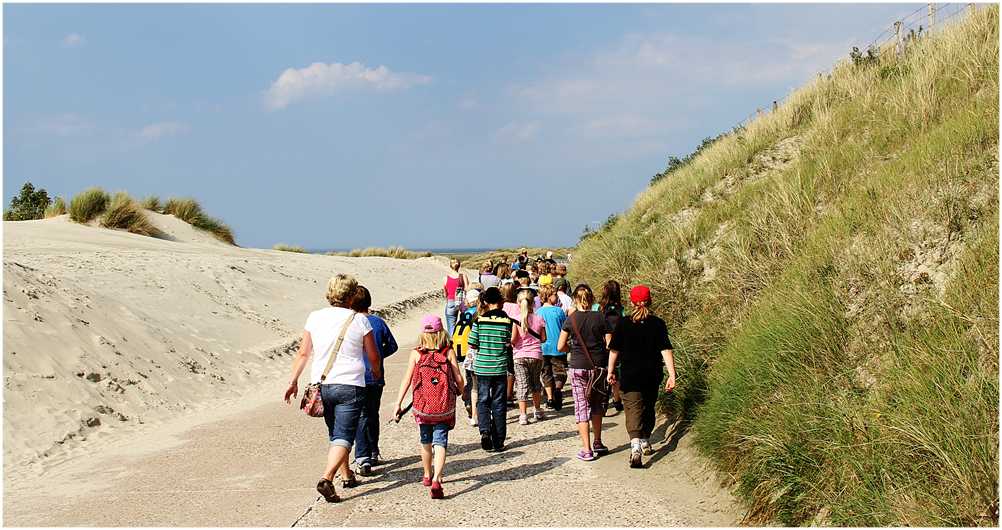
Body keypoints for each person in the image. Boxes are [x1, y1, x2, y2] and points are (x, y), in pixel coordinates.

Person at [284, 273, 381, 503]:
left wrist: (293, 380)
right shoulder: (359, 320)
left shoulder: (315, 317)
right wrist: (376, 372)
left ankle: (346, 475)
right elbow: (373, 355)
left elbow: (303, 353)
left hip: (322, 384)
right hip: (351, 385)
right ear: (351, 295)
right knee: (345, 435)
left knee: (336, 432)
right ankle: (327, 478)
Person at [393, 315, 465, 499]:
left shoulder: (416, 354)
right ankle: (437, 479)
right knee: (440, 441)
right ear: (442, 332)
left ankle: (426, 474)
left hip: (422, 406)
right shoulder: (447, 352)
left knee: (425, 440)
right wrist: (463, 393)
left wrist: (398, 403)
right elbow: (458, 378)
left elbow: (407, 380)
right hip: (443, 406)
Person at [607, 285, 677, 468]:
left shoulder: (623, 323)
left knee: (632, 409)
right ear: (650, 301)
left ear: (630, 302)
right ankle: (645, 438)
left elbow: (614, 350)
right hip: (652, 375)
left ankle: (635, 445)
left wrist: (610, 371)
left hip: (630, 374)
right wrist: (672, 374)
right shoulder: (658, 323)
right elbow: (665, 349)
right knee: (648, 407)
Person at [557, 284, 613, 462]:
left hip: (578, 365)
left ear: (575, 299)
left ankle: (587, 449)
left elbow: (560, 346)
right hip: (598, 367)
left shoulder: (571, 319)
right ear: (591, 299)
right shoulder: (600, 317)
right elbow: (609, 345)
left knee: (581, 407)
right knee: (597, 404)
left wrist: (572, 349)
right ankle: (598, 441)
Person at [350, 285, 398, 476]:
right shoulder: (378, 322)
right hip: (375, 376)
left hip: (358, 377)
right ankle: (373, 450)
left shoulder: (352, 323)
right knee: (372, 414)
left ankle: (363, 457)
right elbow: (392, 345)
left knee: (362, 416)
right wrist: (377, 355)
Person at [467, 287, 514, 452]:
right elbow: (508, 341)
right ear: (501, 301)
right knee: (499, 403)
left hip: (482, 366)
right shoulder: (507, 321)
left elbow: (472, 343)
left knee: (483, 400)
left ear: (485, 302)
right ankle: (499, 440)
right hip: (500, 366)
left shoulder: (479, 321)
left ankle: (485, 431)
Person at [511, 288, 546, 424]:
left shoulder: (517, 320)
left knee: (522, 384)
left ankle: (523, 415)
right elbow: (543, 338)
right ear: (533, 303)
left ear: (518, 303)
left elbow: (514, 339)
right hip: (536, 354)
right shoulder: (539, 319)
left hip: (520, 355)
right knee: (535, 382)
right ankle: (537, 410)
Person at [593, 280, 626, 413]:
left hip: (600, 346)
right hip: (617, 347)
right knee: (615, 374)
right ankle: (617, 399)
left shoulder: (597, 308)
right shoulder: (621, 310)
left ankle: (603, 402)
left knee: (602, 374)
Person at [537, 285, 568, 411]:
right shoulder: (558, 311)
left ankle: (550, 398)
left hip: (543, 347)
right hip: (558, 346)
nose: (557, 297)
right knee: (560, 371)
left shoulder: (538, 312)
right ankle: (558, 390)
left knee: (546, 372)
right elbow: (564, 327)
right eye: (555, 294)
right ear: (549, 296)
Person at [452, 289, 480, 426]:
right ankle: (478, 407)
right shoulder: (479, 313)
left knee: (470, 380)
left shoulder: (464, 315)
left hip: (466, 355)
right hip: (479, 354)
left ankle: (468, 401)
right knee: (480, 384)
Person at [443, 258, 468, 337]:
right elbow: (467, 290)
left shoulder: (445, 278)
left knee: (451, 326)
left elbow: (445, 294)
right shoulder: (463, 276)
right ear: (459, 266)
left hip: (450, 302)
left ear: (450, 266)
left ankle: (452, 343)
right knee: (464, 324)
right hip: (461, 302)